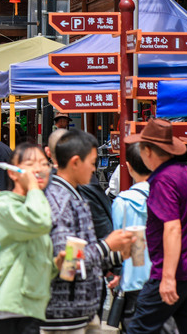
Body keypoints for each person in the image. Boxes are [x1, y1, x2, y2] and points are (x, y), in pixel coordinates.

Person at [44, 130, 133, 334]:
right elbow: (68, 263)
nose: (94, 169)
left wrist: (116, 255)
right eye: (92, 163)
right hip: (64, 313)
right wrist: (108, 246)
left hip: (76, 309)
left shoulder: (70, 194)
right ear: (75, 162)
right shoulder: (60, 201)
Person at [124, 120, 187, 334]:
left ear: (148, 151)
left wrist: (167, 277)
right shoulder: (185, 171)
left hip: (172, 270)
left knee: (139, 327)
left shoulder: (162, 180)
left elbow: (172, 228)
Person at [0, 143, 54, 334]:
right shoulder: (2, 205)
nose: (39, 169)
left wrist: (57, 263)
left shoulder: (35, 202)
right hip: (11, 307)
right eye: (30, 164)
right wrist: (33, 187)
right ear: (13, 172)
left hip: (32, 306)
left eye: (43, 163)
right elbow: (39, 222)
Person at [111, 142, 152, 331]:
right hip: (160, 277)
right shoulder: (165, 196)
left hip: (131, 279)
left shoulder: (122, 202)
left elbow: (118, 244)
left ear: (128, 166)